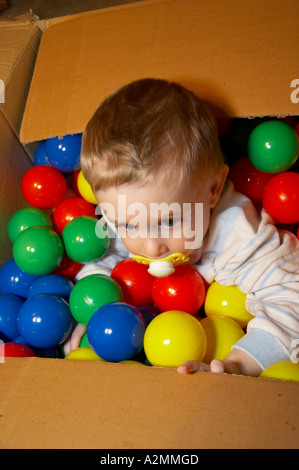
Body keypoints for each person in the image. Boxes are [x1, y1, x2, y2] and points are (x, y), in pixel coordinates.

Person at [64, 78, 299, 377]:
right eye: (127, 225)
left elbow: (291, 296)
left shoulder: (237, 234)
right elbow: (104, 255)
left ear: (213, 188)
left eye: (170, 221)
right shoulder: (125, 212)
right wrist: (92, 306)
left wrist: (240, 364)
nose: (151, 248)